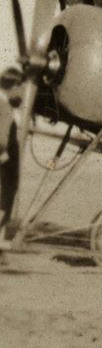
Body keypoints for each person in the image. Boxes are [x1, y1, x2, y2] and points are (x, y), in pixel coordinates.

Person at [0, 65, 22, 232]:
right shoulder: (4, 108)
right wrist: (4, 156)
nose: (22, 93)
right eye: (20, 88)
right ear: (14, 86)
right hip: (4, 164)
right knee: (4, 200)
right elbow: (2, 138)